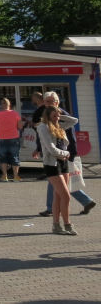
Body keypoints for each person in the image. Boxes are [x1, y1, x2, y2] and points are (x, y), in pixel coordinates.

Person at [35, 91, 97, 217]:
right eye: (46, 101)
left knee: (57, 184)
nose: (48, 104)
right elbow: (43, 137)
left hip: (62, 155)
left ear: (57, 102)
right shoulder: (47, 116)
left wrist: (71, 154)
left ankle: (52, 209)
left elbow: (71, 134)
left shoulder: (59, 116)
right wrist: (38, 148)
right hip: (56, 155)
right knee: (59, 184)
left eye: (51, 101)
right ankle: (85, 201)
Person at [36, 105, 79, 235]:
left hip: (63, 163)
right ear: (47, 116)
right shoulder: (43, 127)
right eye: (54, 116)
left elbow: (74, 121)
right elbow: (51, 149)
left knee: (58, 196)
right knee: (66, 196)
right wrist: (66, 153)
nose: (57, 118)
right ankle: (67, 224)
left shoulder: (59, 125)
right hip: (52, 164)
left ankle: (56, 225)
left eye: (58, 115)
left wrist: (59, 113)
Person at [0, 97, 22, 182]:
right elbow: (20, 126)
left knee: (3, 158)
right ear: (9, 104)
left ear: (2, 105)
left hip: (2, 138)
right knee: (15, 157)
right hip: (14, 138)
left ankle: (4, 176)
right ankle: (16, 176)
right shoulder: (15, 114)